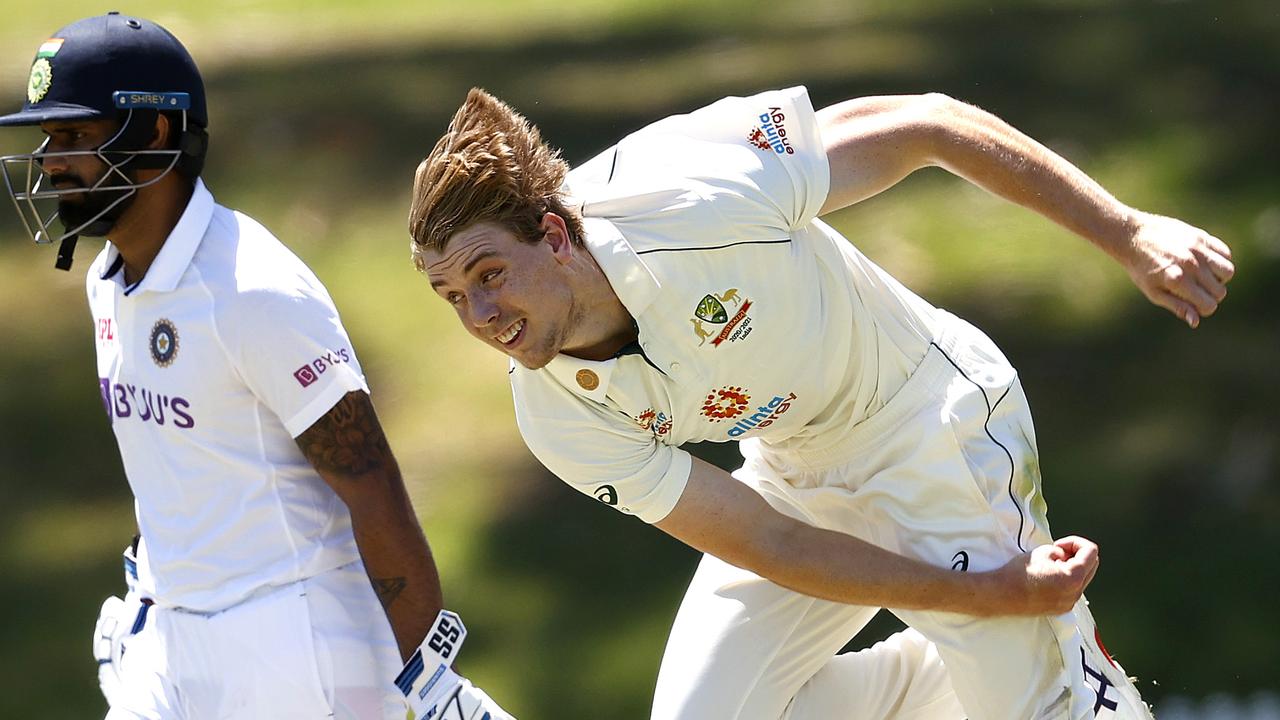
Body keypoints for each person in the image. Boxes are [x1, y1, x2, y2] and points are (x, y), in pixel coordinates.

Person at [406, 85, 1233, 720]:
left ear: (555, 235)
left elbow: (929, 123)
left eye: (490, 274)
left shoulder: (686, 194)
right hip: (792, 470)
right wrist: (985, 599)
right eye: (452, 296)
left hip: (930, 419)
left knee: (1033, 702)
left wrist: (1127, 232)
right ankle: (975, 658)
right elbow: (767, 538)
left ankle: (1038, 671)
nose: (482, 318)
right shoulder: (554, 413)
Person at [0, 13, 512, 720]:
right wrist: (151, 586)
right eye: (49, 138)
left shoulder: (252, 289)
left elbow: (371, 485)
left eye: (77, 137)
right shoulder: (108, 280)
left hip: (293, 644)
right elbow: (186, 456)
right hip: (174, 636)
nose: (53, 160)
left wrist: (428, 678)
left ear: (155, 134)